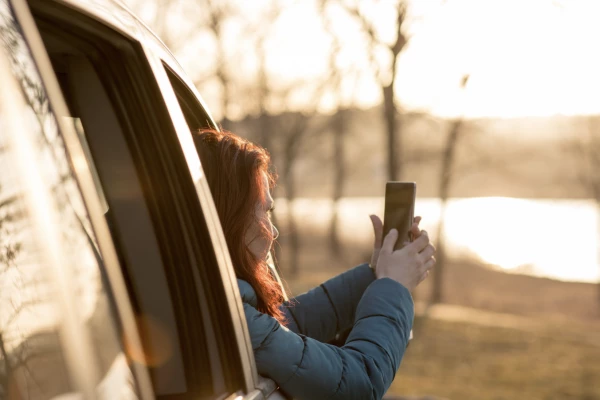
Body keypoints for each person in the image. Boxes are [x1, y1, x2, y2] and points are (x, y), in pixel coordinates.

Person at [193, 129, 436, 400]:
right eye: (264, 210)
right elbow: (358, 382)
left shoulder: (209, 304)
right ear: (228, 218)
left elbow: (286, 326)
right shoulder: (230, 319)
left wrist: (376, 275)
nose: (273, 232)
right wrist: (393, 287)